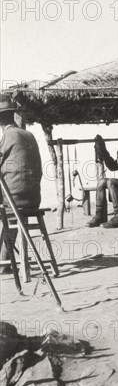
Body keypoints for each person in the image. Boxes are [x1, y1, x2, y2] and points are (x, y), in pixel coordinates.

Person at [0, 95, 42, 269]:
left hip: (14, 202)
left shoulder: (7, 137)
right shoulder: (28, 134)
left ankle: (4, 261)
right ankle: (4, 260)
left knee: (8, 212)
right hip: (33, 199)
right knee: (10, 213)